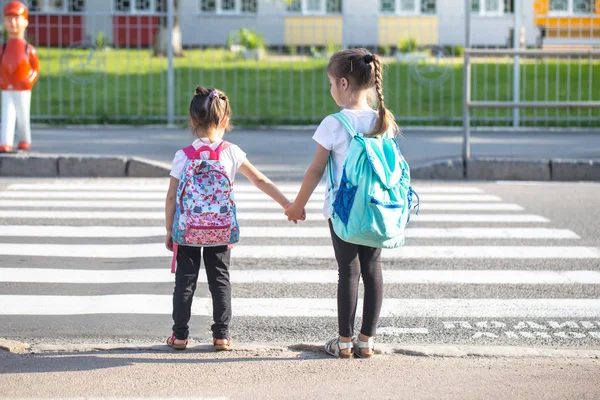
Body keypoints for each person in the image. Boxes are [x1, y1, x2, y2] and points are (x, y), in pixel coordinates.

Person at [165, 85, 304, 351]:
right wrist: (287, 203)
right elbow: (260, 180)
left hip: (188, 229)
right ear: (226, 121)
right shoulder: (231, 152)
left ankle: (180, 335)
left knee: (185, 281)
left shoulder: (182, 156)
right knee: (220, 279)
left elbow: (172, 197)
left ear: (192, 120)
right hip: (220, 228)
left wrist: (169, 229)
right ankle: (222, 335)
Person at [285, 48, 399, 358]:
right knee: (373, 270)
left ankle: (344, 342)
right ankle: (367, 341)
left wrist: (297, 205)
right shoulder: (382, 120)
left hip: (343, 213)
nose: (331, 88)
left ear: (345, 84)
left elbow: (315, 170)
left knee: (348, 272)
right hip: (376, 209)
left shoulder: (333, 124)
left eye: (332, 83)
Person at [0, 1, 39, 153]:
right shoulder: (2, 49)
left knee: (23, 116)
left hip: (23, 88)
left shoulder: (29, 49)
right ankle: (5, 141)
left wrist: (29, 80)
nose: (13, 23)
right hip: (7, 87)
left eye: (16, 18)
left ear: (25, 22)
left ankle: (24, 139)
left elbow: (35, 69)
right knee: (7, 115)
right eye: (9, 19)